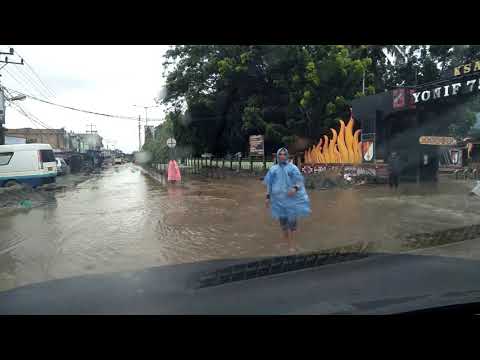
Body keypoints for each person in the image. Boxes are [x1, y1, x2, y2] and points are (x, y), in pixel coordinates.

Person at [264, 147, 311, 252]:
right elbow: (269, 185)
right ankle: (287, 244)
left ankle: (292, 246)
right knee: (283, 225)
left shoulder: (293, 168)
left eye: (284, 154)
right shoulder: (273, 169)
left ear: (287, 156)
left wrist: (295, 188)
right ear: (277, 156)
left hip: (292, 201)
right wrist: (267, 197)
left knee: (292, 225)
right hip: (279, 202)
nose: (282, 156)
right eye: (280, 154)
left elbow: (299, 181)